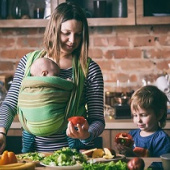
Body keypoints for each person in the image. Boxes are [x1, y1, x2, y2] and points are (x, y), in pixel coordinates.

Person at [0, 2, 105, 154]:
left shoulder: (89, 69)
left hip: (71, 156)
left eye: (78, 34)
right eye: (66, 33)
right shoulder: (29, 63)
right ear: (54, 30)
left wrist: (86, 134)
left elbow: (97, 120)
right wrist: (1, 132)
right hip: (32, 155)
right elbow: (10, 104)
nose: (72, 40)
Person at [116, 85, 170, 157]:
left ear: (159, 115)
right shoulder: (132, 135)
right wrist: (122, 150)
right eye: (135, 115)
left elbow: (160, 165)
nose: (138, 120)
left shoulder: (162, 139)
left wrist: (132, 155)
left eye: (143, 115)